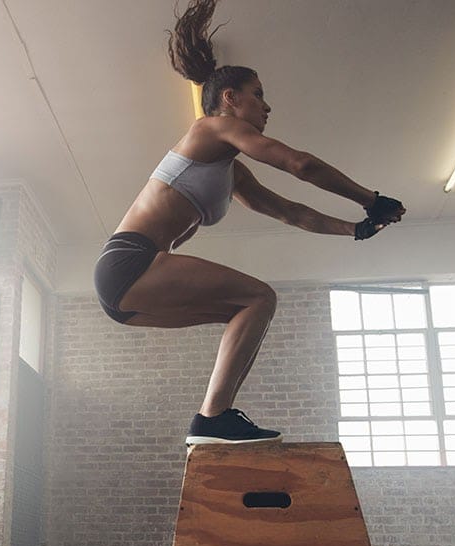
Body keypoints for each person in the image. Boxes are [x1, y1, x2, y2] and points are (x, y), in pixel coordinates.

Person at [93, 0, 405, 446]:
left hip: (127, 295)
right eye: (258, 94)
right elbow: (298, 164)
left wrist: (354, 228)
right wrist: (371, 199)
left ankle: (216, 420)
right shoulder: (210, 129)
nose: (266, 106)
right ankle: (212, 417)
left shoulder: (229, 168)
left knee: (252, 308)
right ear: (229, 99)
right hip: (130, 263)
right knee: (259, 296)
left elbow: (288, 211)